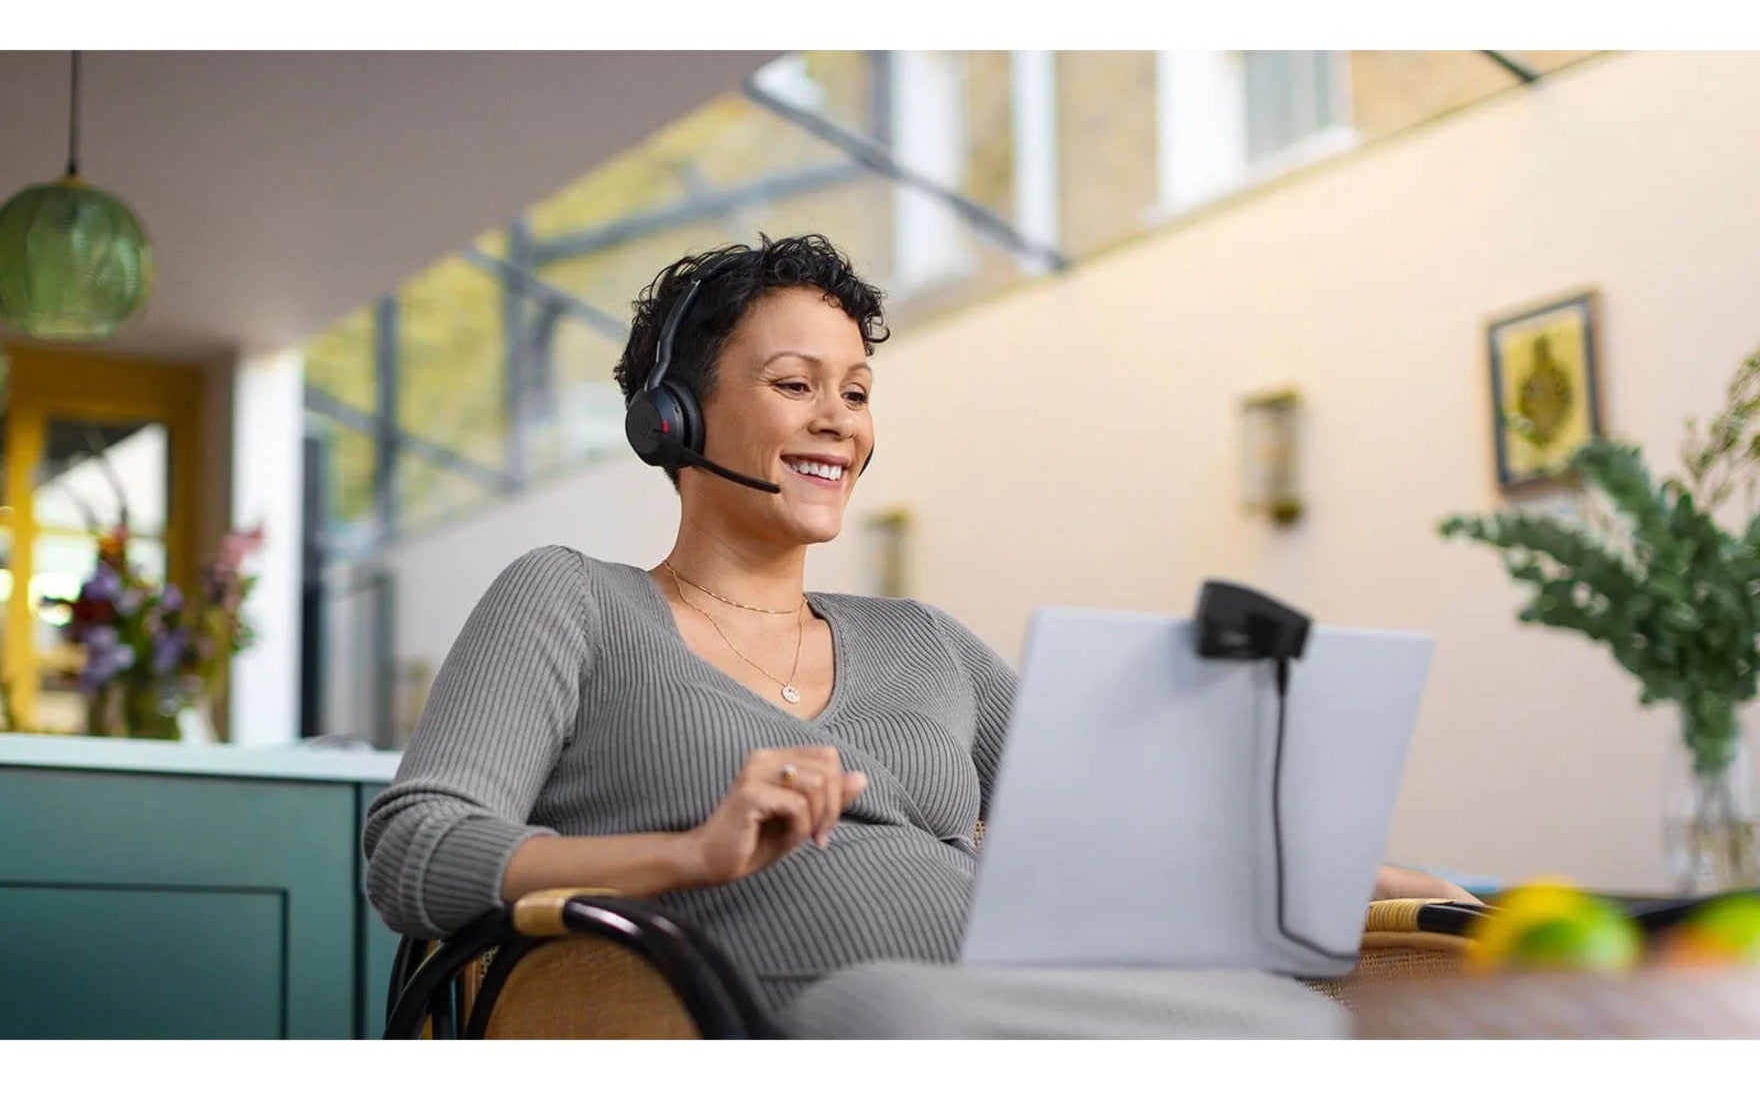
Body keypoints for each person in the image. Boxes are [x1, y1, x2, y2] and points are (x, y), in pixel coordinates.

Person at [362, 233, 1472, 1029]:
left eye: (855, 389)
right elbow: (413, 850)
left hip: (1025, 1006)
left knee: (1286, 1020)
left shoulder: (921, 640)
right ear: (676, 417)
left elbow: (1155, 827)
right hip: (833, 1019)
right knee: (892, 1003)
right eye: (794, 382)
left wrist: (1447, 894)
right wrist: (691, 852)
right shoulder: (570, 601)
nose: (837, 418)